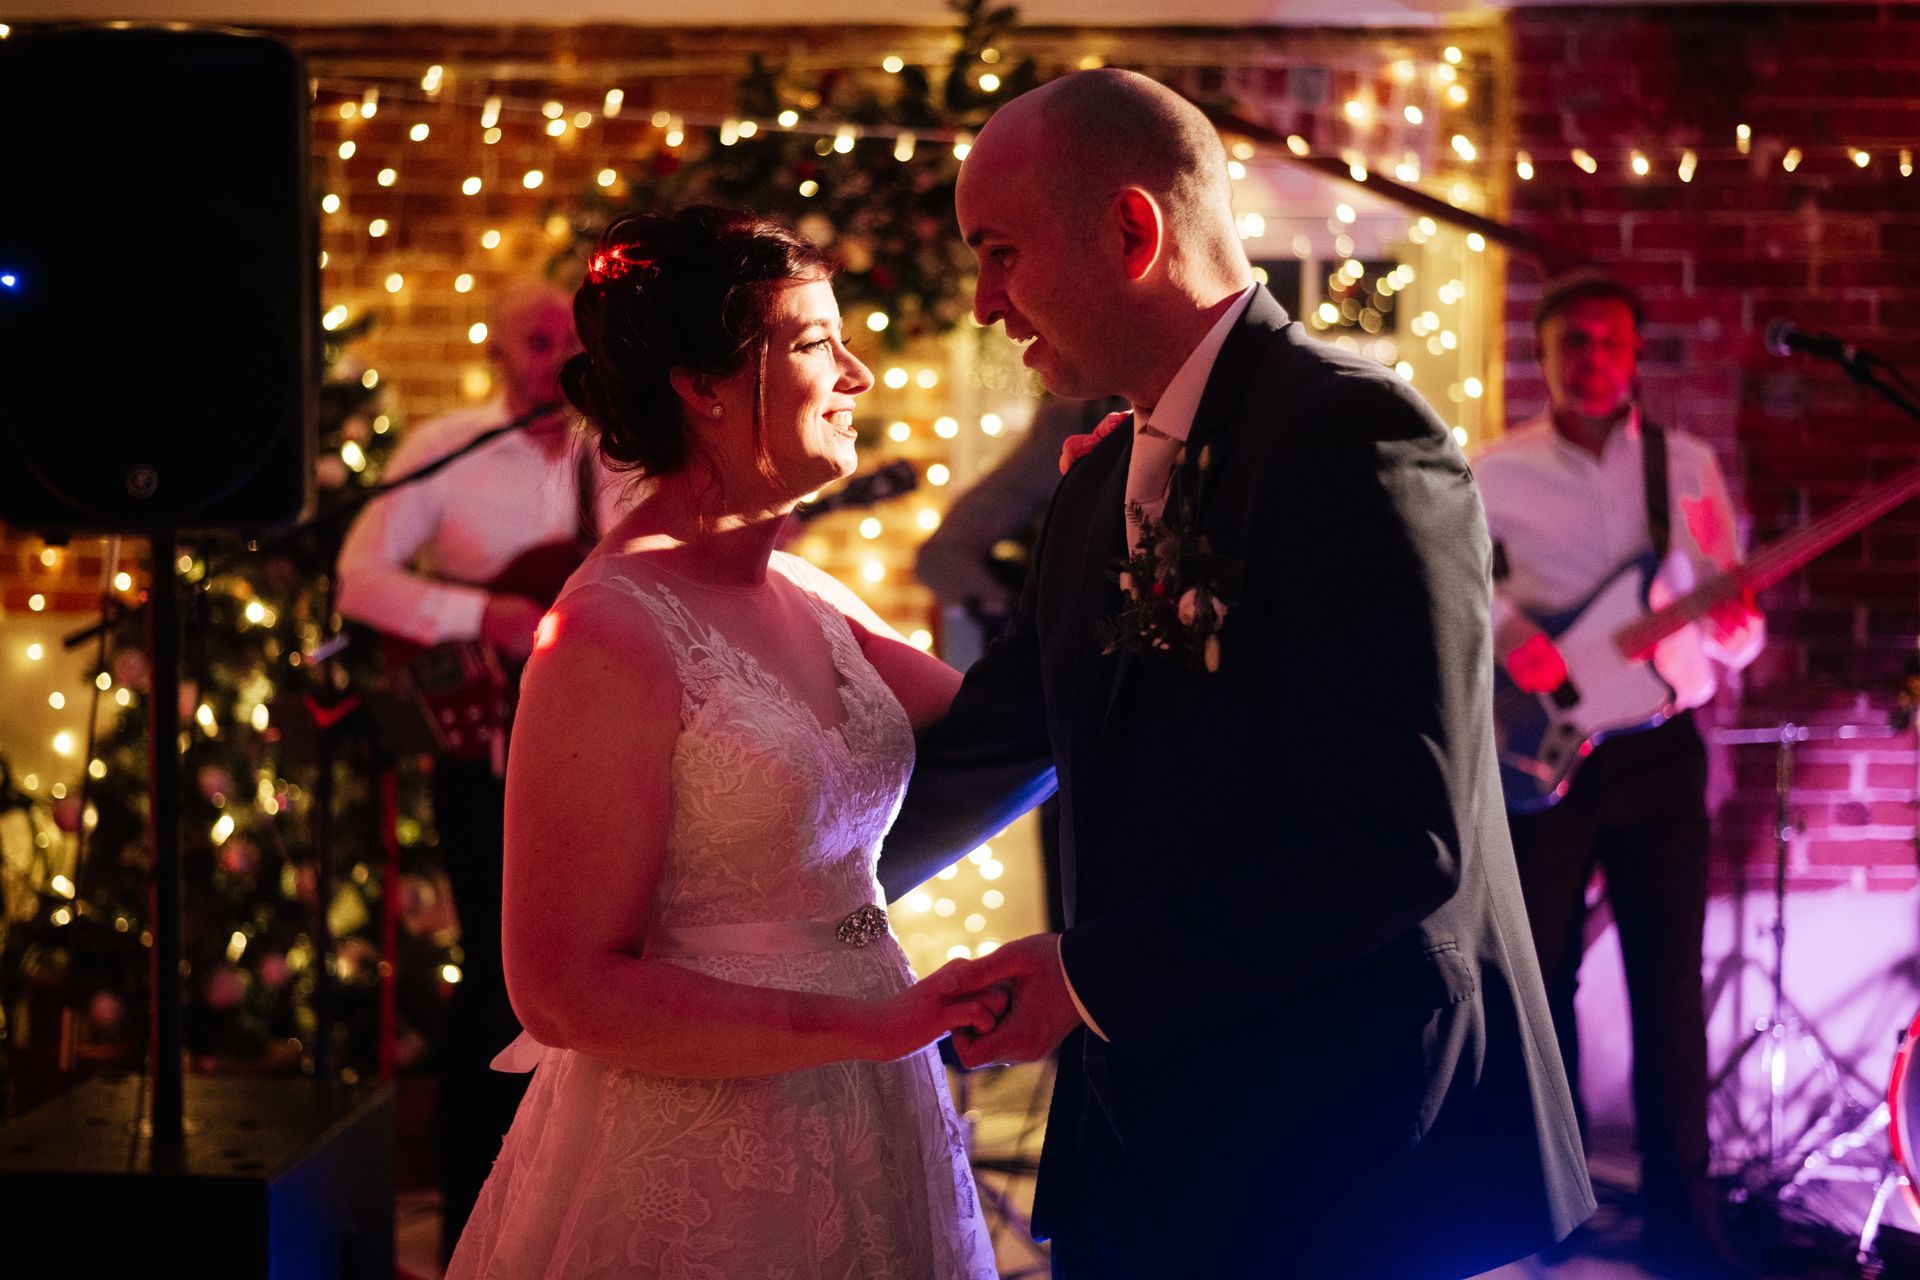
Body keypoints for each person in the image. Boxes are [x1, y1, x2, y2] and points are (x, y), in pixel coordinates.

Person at [876, 68, 1596, 1278]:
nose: (987, 299)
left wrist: (1084, 976)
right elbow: (1002, 734)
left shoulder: (1356, 438)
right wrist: (763, 904)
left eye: (1000, 252)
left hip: (1344, 1147)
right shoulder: (1098, 483)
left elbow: (1397, 841)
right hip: (1143, 1137)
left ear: (1131, 231)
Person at [444, 206, 1003, 1279]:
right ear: (701, 386)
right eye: (811, 343)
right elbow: (561, 989)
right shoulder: (606, 629)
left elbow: (1013, 724)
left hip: (869, 1107)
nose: (857, 374)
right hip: (699, 1151)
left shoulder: (812, 594)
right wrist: (859, 1026)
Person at [1470, 271, 1765, 1278]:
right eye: (1571, 342)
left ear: (1634, 354)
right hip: (1541, 748)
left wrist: (1735, 628)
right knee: (1538, 981)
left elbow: (1732, 613)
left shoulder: (1685, 468)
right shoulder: (1490, 470)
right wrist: (1516, 639)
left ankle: (1686, 1226)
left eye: (1607, 341)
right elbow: (1457, 595)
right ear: (1543, 355)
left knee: (1670, 989)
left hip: (1659, 750)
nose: (1590, 357)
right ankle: (1538, 1209)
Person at [335, 280, 626, 1260]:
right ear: (502, 355)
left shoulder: (621, 453)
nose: (556, 359)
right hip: (488, 751)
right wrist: (481, 615)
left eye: (570, 342)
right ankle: (476, 1223)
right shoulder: (447, 451)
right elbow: (360, 576)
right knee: (498, 984)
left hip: (611, 757)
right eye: (538, 342)